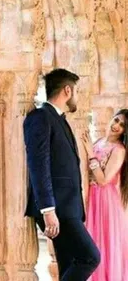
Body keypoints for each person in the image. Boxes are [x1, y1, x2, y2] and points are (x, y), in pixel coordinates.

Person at [23, 68, 100, 281]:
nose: (77, 96)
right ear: (67, 90)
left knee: (69, 264)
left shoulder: (61, 119)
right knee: (90, 257)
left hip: (69, 208)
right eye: (76, 91)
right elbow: (38, 165)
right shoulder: (41, 117)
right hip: (57, 209)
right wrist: (48, 210)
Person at [82, 109, 128, 281]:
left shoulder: (119, 150)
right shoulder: (100, 141)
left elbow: (103, 180)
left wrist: (90, 153)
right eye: (116, 120)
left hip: (107, 203)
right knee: (93, 241)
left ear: (125, 131)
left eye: (122, 125)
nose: (116, 126)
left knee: (105, 244)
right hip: (93, 198)